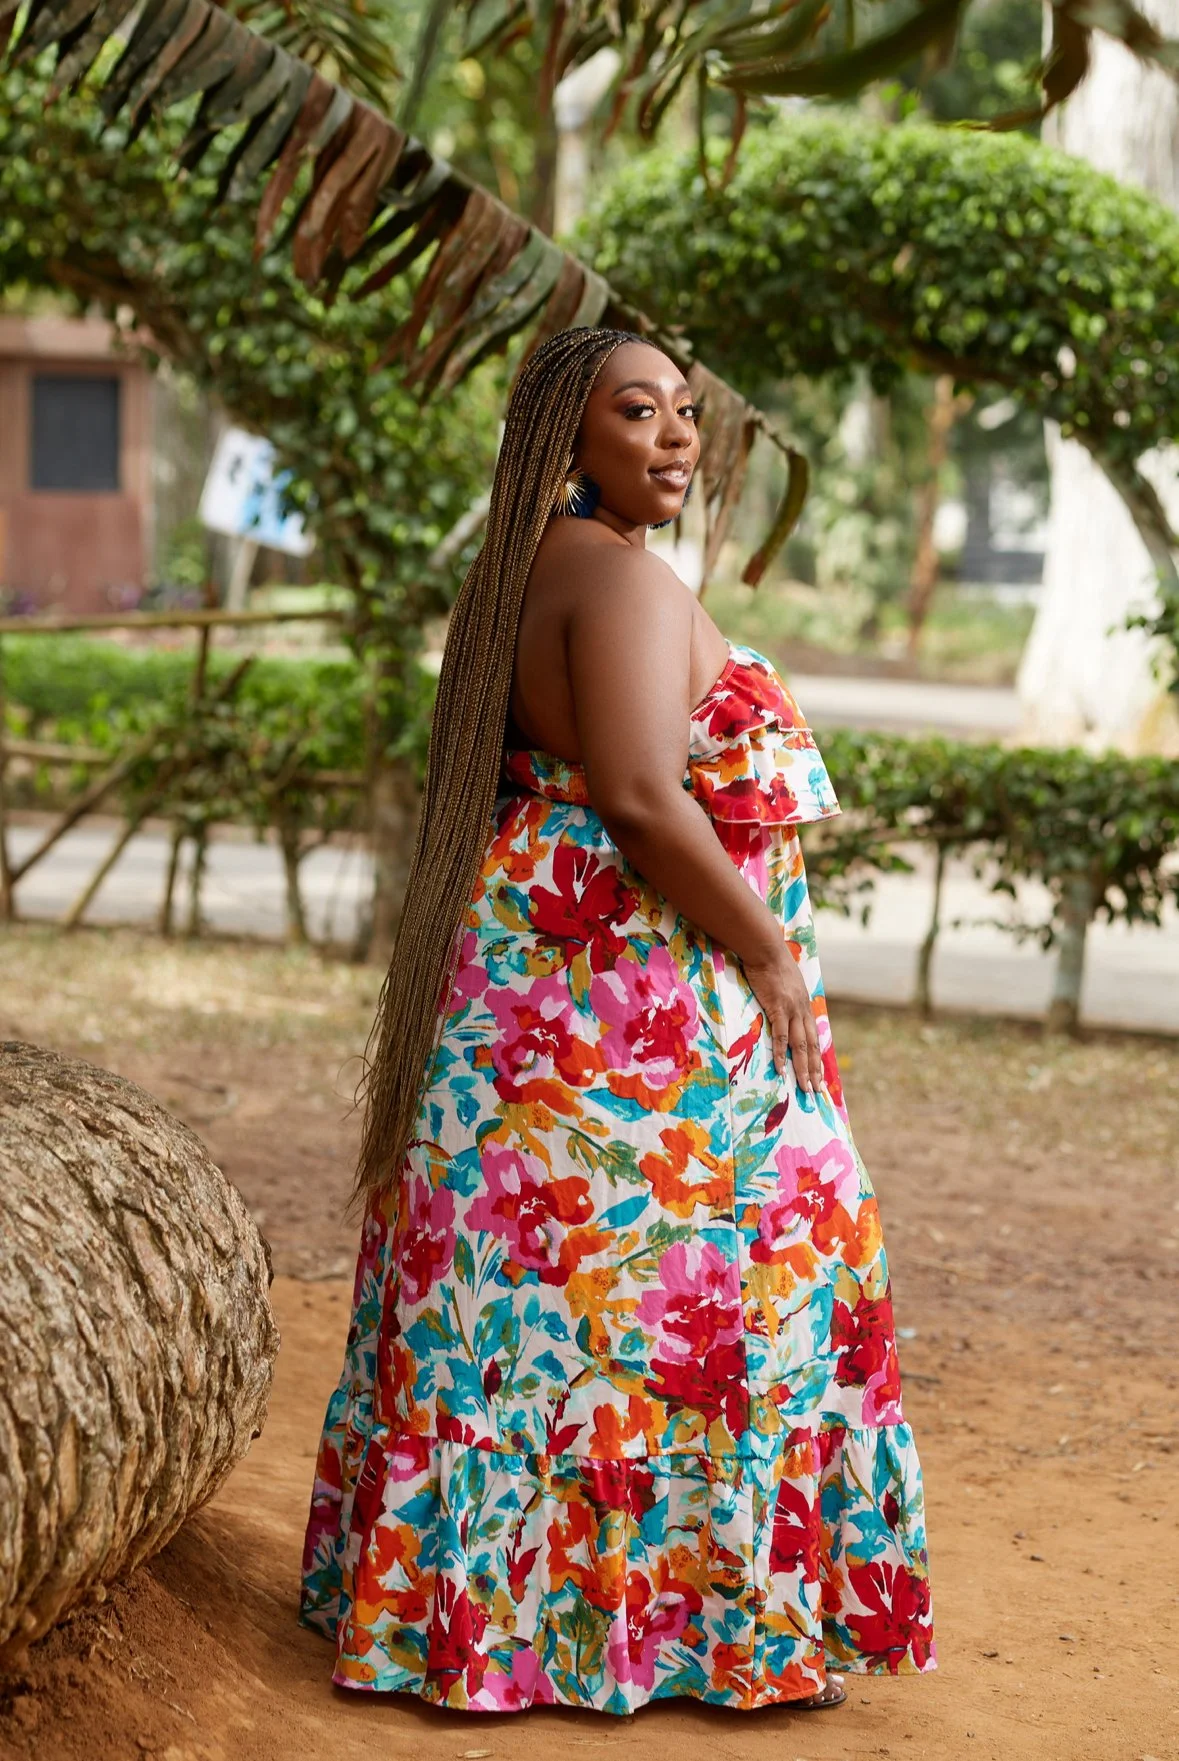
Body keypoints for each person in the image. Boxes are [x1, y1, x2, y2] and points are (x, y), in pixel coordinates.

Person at [299, 325, 936, 1715]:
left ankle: (487, 1620)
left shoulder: (523, 570)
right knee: (745, 1274)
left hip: (534, 986)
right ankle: (692, 1626)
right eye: (637, 411)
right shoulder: (625, 583)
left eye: (683, 411)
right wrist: (770, 955)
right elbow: (646, 801)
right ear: (566, 436)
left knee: (528, 1303)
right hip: (631, 1002)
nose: (675, 436)